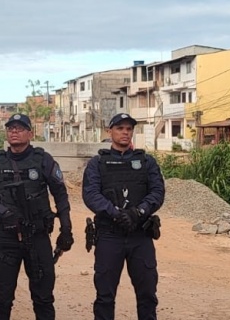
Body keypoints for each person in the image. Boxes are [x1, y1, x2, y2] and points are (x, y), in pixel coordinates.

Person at [0, 113, 74, 320]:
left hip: (38, 236)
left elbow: (60, 193)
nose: (14, 131)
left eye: (20, 128)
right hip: (7, 237)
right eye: (11, 128)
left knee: (43, 299)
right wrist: (4, 213)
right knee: (1, 300)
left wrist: (66, 228)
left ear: (30, 133)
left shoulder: (43, 160)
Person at [82, 112, 166, 320]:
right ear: (109, 132)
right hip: (110, 236)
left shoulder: (146, 162)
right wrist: (116, 214)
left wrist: (138, 213)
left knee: (147, 294)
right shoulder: (97, 164)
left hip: (140, 236)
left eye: (129, 129)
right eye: (120, 128)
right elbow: (91, 194)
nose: (125, 132)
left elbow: (157, 192)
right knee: (105, 296)